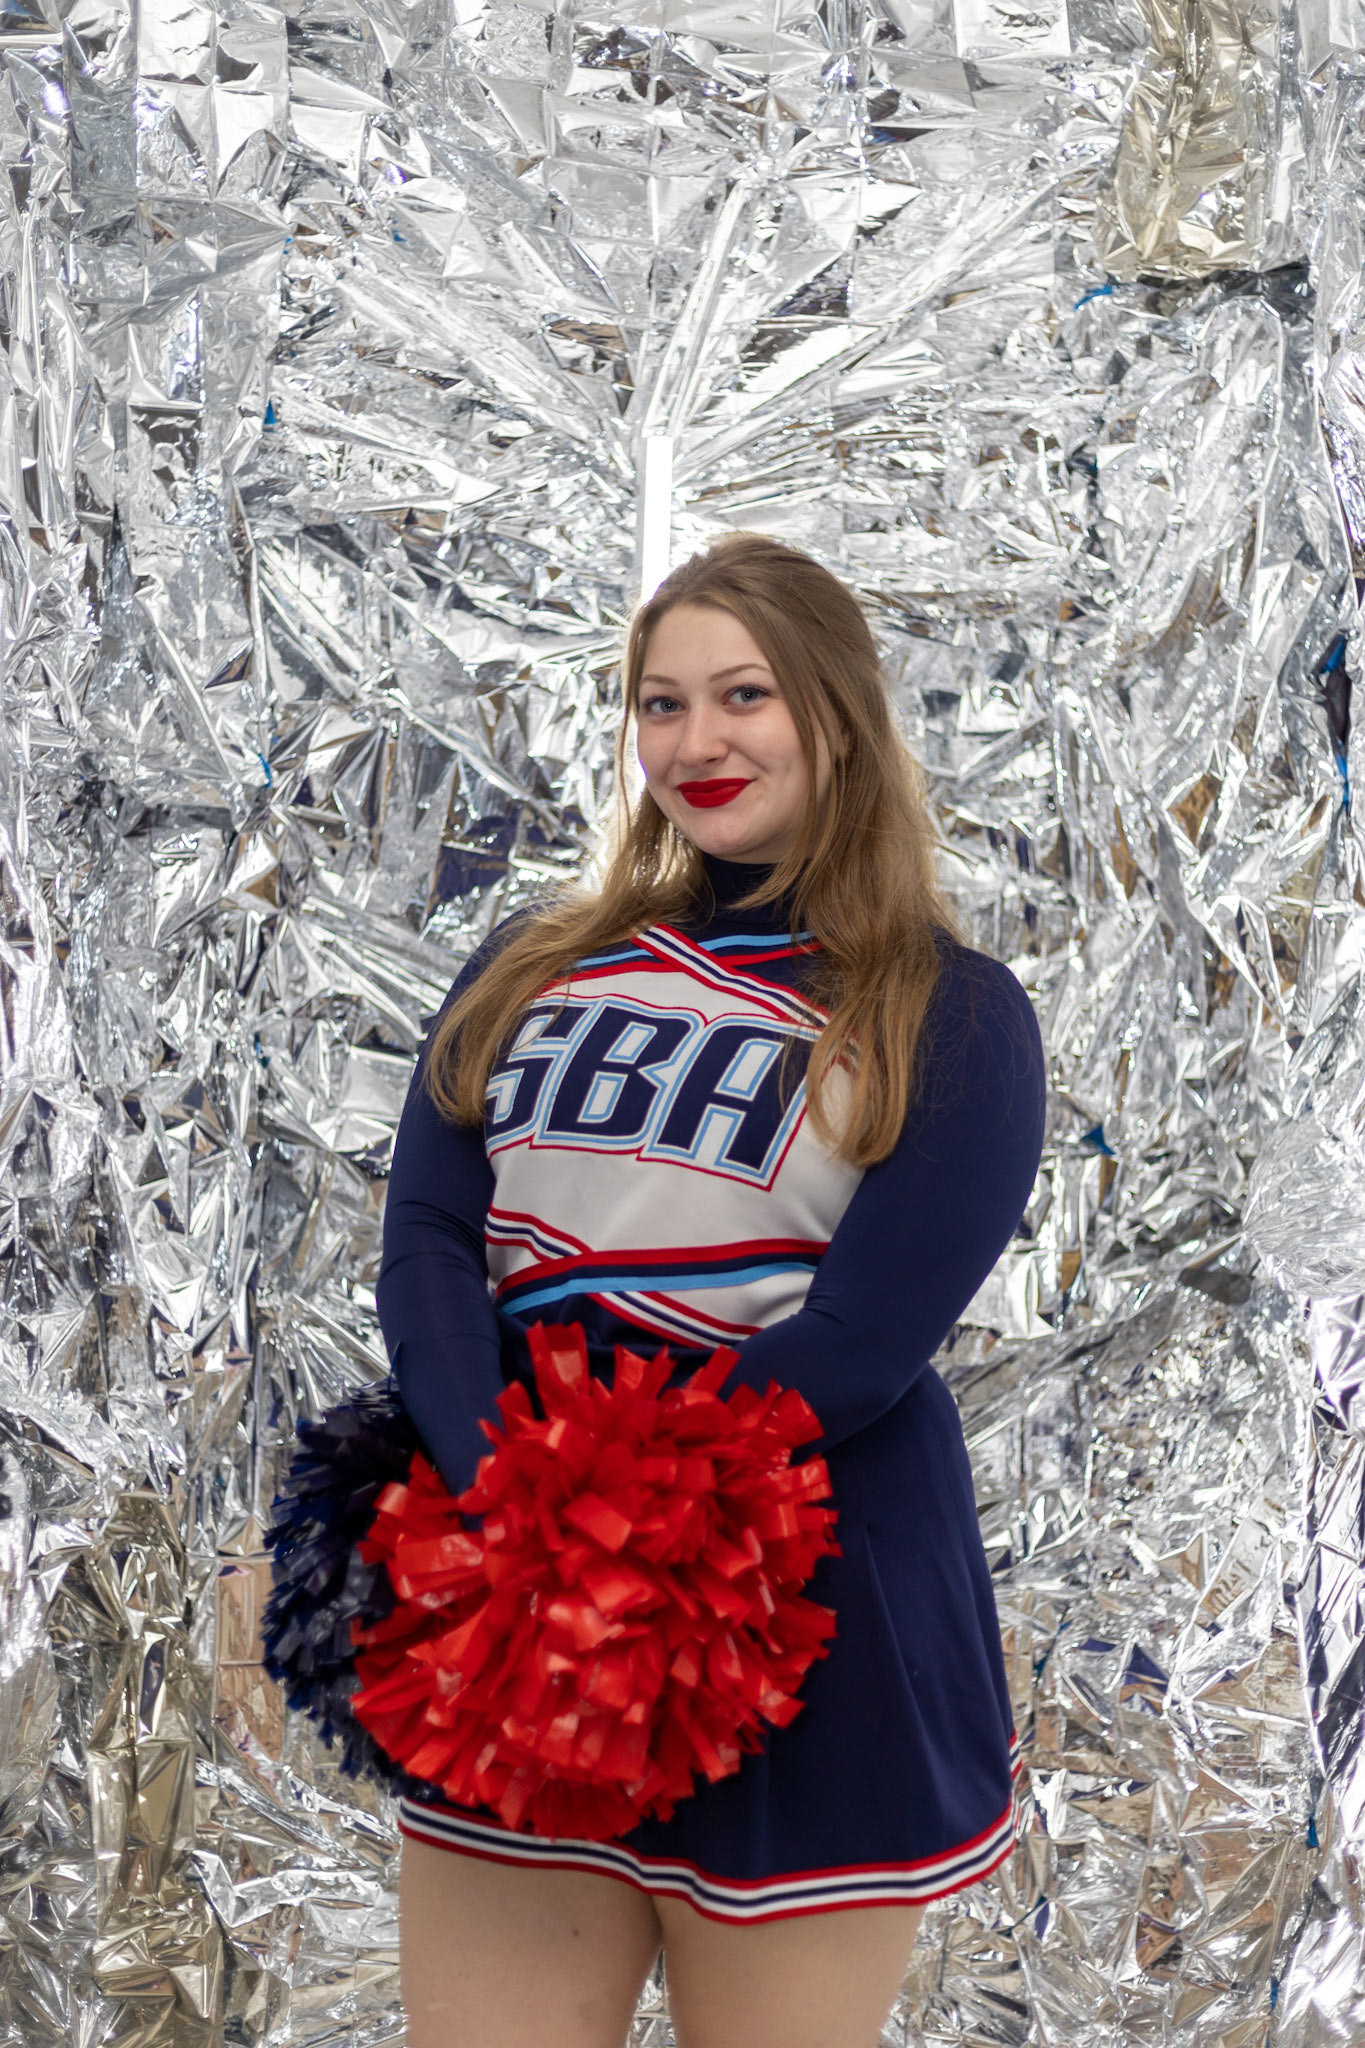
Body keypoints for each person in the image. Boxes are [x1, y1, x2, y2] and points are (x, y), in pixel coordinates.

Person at [375, 532, 1047, 2048]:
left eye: (740, 694)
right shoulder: (533, 962)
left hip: (803, 1602)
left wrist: (606, 1510)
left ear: (833, 711)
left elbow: (863, 1345)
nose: (696, 741)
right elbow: (426, 1236)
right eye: (659, 703)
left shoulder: (947, 1011)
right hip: (518, 1609)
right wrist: (508, 1501)